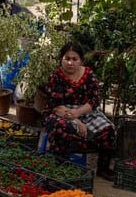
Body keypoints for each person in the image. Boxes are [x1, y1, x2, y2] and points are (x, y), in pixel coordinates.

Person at [40, 42, 116, 180]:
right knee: (61, 128)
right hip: (61, 112)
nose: (70, 63)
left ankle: (103, 168)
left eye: (75, 59)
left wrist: (78, 114)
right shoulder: (55, 76)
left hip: (85, 111)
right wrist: (76, 121)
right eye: (67, 58)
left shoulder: (89, 74)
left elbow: (94, 100)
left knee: (108, 129)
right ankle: (59, 166)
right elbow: (56, 106)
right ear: (61, 59)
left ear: (81, 60)